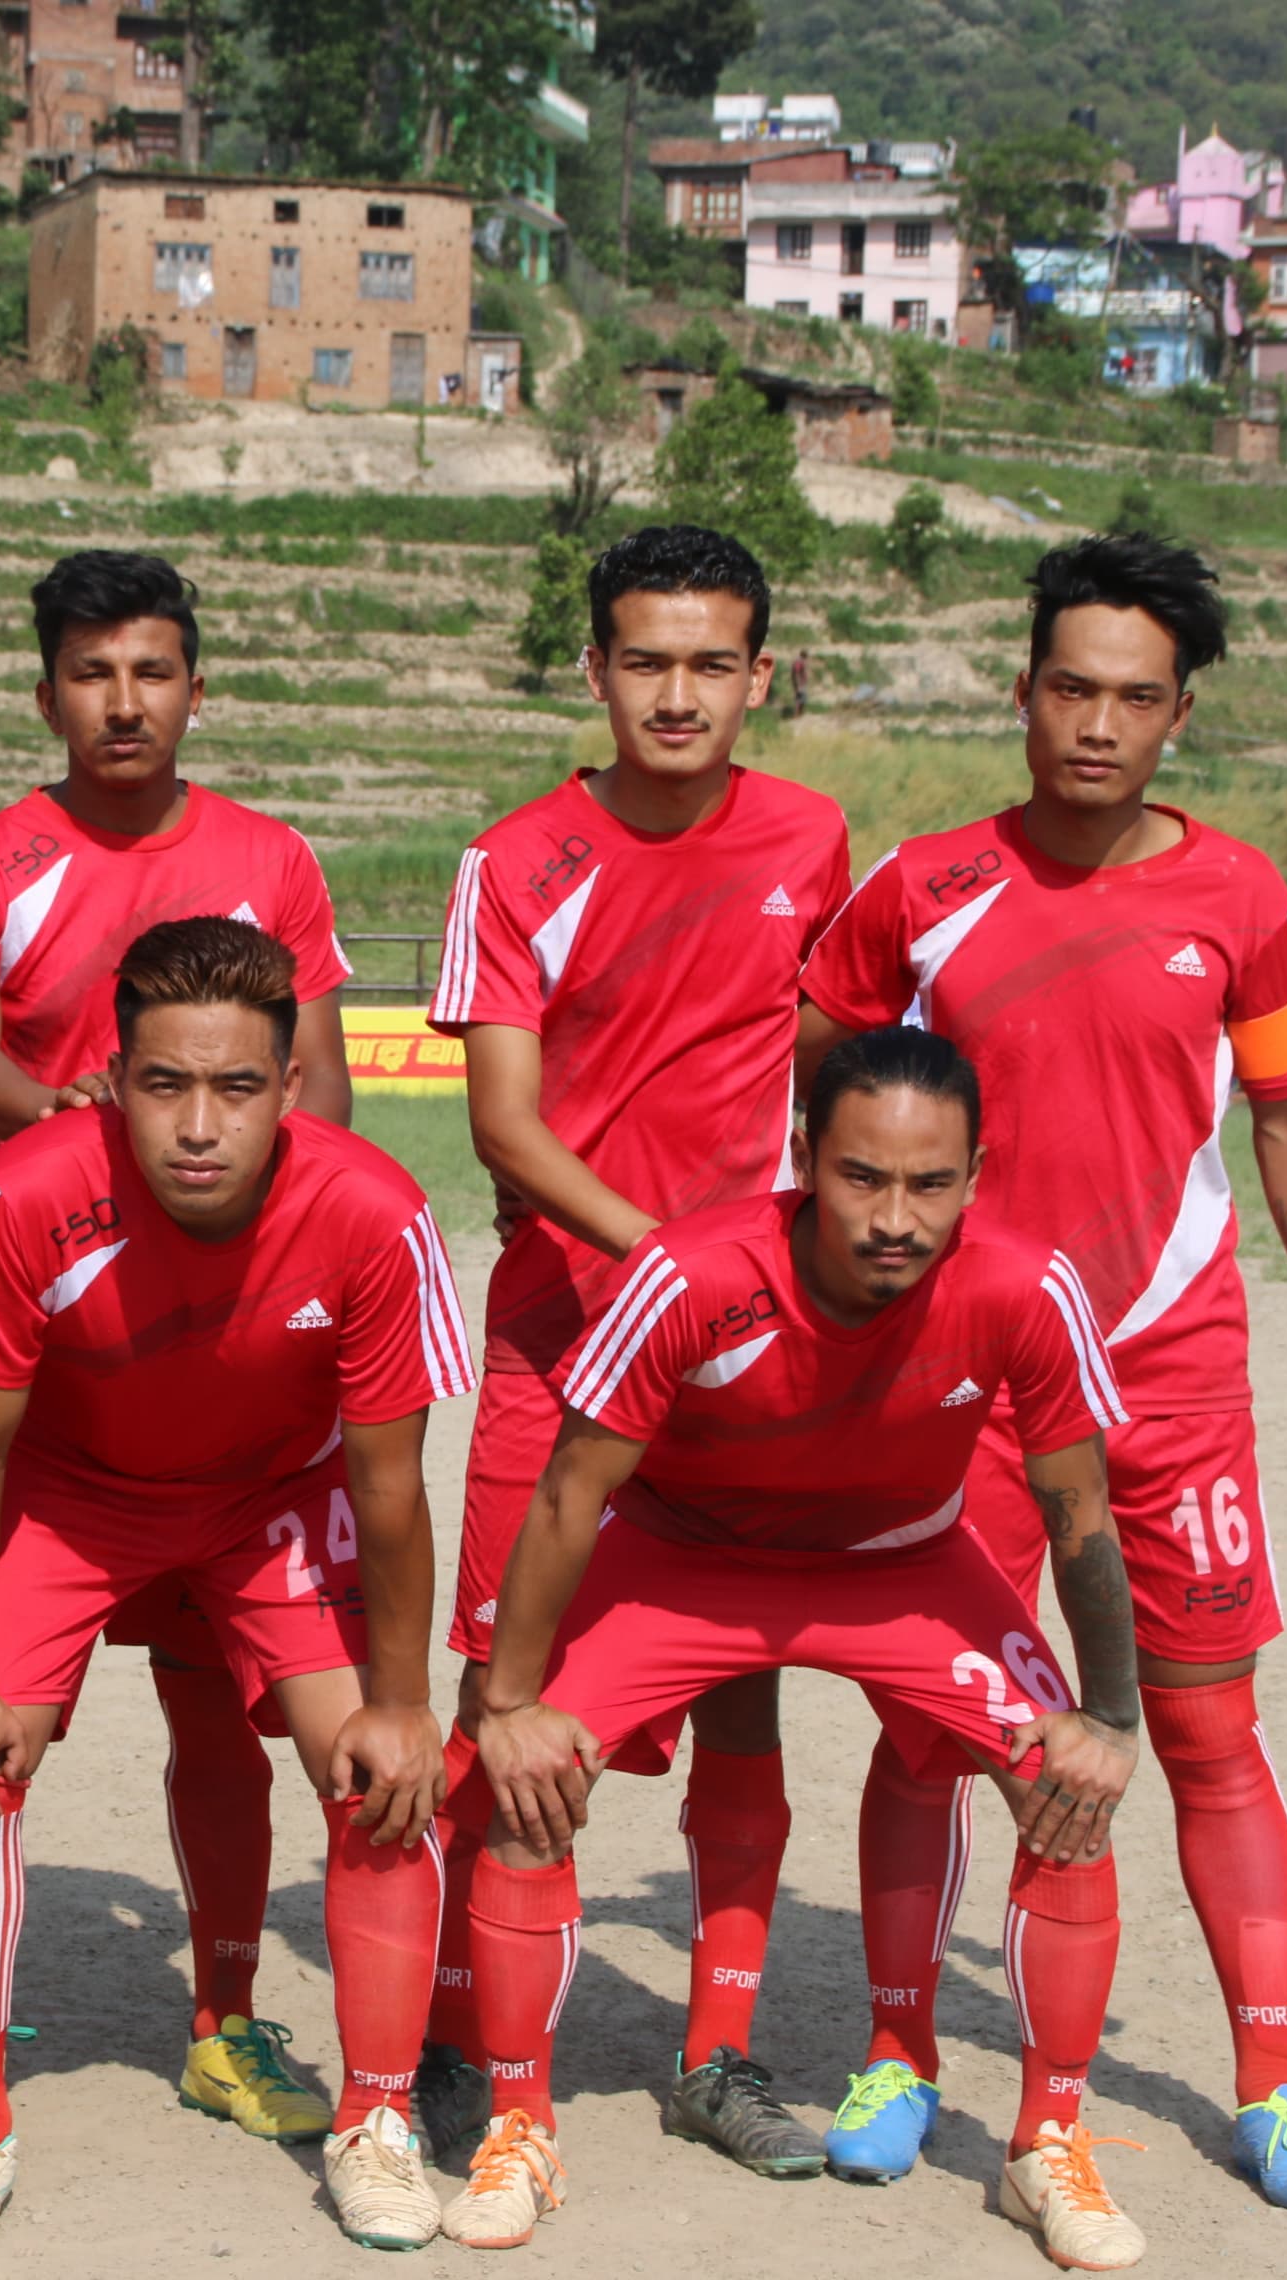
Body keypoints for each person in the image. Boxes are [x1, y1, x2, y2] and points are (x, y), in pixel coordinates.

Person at [799, 532, 1287, 2217]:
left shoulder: (1240, 896)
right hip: (965, 1390)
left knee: (1205, 1728)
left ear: (1179, 714)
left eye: (1135, 697)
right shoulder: (919, 890)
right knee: (934, 1731)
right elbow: (823, 1098)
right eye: (1071, 688)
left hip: (1168, 1376)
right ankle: (899, 2052)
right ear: (1023, 691)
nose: (1098, 725)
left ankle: (1275, 2086)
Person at [446, 1028, 1147, 2269]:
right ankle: (520, 2129)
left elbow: (1078, 1512)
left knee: (1066, 1789)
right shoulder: (691, 1273)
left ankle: (1048, 2143)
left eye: (930, 1184)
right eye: (861, 1177)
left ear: (976, 1176)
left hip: (905, 1566)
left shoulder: (1027, 1287)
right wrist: (507, 1703)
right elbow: (568, 1491)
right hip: (685, 1560)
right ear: (805, 1157)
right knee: (527, 1785)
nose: (895, 1218)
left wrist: (1111, 1716)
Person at [0, 919, 471, 2251]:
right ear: (115, 1079)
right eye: (164, 1086)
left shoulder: (375, 1210)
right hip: (68, 1494)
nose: (199, 1127)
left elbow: (390, 1486)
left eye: (237, 1088)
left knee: (380, 1774)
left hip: (270, 1499)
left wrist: (402, 1703)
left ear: (292, 1086)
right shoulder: (26, 1192)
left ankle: (377, 2120)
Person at [0, 551, 358, 2144]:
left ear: (195, 689)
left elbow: (323, 1089)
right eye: (92, 673)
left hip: (231, 1377)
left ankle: (225, 2020)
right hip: (53, 1374)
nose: (123, 700)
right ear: (47, 695)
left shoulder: (270, 858)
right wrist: (79, 1132)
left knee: (220, 1717)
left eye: (152, 670)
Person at [421, 523, 851, 2171]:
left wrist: (775, 1267)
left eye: (711, 664)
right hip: (565, 1339)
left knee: (742, 1697)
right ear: (595, 670)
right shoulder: (516, 858)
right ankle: (461, 2030)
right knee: (501, 1694)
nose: (679, 696)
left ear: (761, 676)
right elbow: (505, 1127)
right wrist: (666, 1260)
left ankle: (720, 2053)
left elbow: (829, 1063)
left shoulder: (810, 838)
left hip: (741, 1360)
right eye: (647, 662)